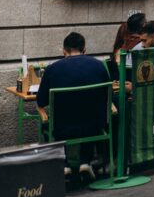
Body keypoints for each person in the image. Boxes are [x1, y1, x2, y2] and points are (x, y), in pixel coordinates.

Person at [36, 32, 111, 178]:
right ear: (84, 49)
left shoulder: (52, 69)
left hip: (63, 129)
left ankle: (63, 164)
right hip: (95, 126)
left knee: (51, 122)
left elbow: (41, 101)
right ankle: (85, 161)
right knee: (87, 110)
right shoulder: (99, 66)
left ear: (64, 50)